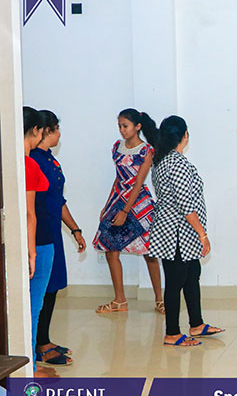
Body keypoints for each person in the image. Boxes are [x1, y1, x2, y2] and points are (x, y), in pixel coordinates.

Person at [147, 115, 223, 346]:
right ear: (185, 136)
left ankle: (196, 324)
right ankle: (172, 333)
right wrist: (203, 234)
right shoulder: (176, 163)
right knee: (176, 280)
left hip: (178, 230)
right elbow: (185, 205)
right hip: (177, 232)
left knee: (191, 275)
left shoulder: (162, 160)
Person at [92, 109, 164, 314]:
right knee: (110, 248)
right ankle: (120, 300)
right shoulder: (117, 147)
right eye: (120, 126)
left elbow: (138, 183)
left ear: (137, 126)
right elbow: (118, 179)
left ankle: (160, 299)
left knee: (149, 252)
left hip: (139, 205)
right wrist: (108, 205)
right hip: (118, 200)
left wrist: (125, 210)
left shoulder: (146, 151)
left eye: (125, 126)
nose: (122, 130)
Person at [31, 110, 87, 366]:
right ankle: (39, 344)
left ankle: (44, 338)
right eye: (56, 129)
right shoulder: (34, 160)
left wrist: (75, 229)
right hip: (40, 232)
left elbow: (58, 199)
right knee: (42, 289)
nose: (59, 134)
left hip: (53, 231)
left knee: (52, 287)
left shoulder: (49, 159)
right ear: (45, 131)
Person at [23, 106, 52, 374]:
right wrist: (31, 253)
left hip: (22, 241)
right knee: (33, 306)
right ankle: (29, 367)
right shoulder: (28, 164)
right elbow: (29, 214)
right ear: (35, 130)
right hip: (38, 242)